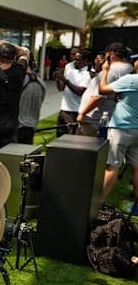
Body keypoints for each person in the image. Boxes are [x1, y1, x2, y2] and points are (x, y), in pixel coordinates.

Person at [98, 52, 138, 204]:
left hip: (122, 128)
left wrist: (105, 71)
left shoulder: (131, 79)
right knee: (136, 168)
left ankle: (98, 203)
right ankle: (136, 204)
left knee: (112, 166)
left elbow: (102, 89)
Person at [54, 49, 91, 136]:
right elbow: (61, 88)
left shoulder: (87, 74)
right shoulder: (72, 71)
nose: (75, 62)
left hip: (74, 111)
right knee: (60, 136)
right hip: (64, 110)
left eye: (78, 60)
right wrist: (58, 79)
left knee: (71, 137)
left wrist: (65, 80)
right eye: (74, 59)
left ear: (86, 61)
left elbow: (80, 91)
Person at [17, 62, 46, 144]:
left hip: (18, 125)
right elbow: (41, 101)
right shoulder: (41, 83)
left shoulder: (20, 81)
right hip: (32, 125)